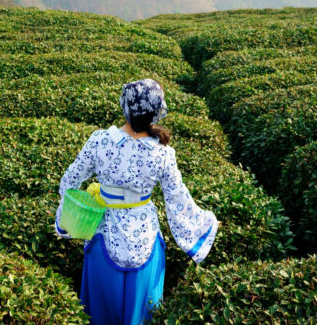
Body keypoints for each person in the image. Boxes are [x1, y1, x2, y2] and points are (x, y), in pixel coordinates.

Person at [54, 79, 218, 325]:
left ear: (125, 106)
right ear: (156, 111)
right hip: (146, 240)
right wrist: (206, 223)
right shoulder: (162, 153)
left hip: (102, 235)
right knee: (142, 315)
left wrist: (72, 216)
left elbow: (68, 182)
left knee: (99, 314)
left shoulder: (99, 140)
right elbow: (177, 198)